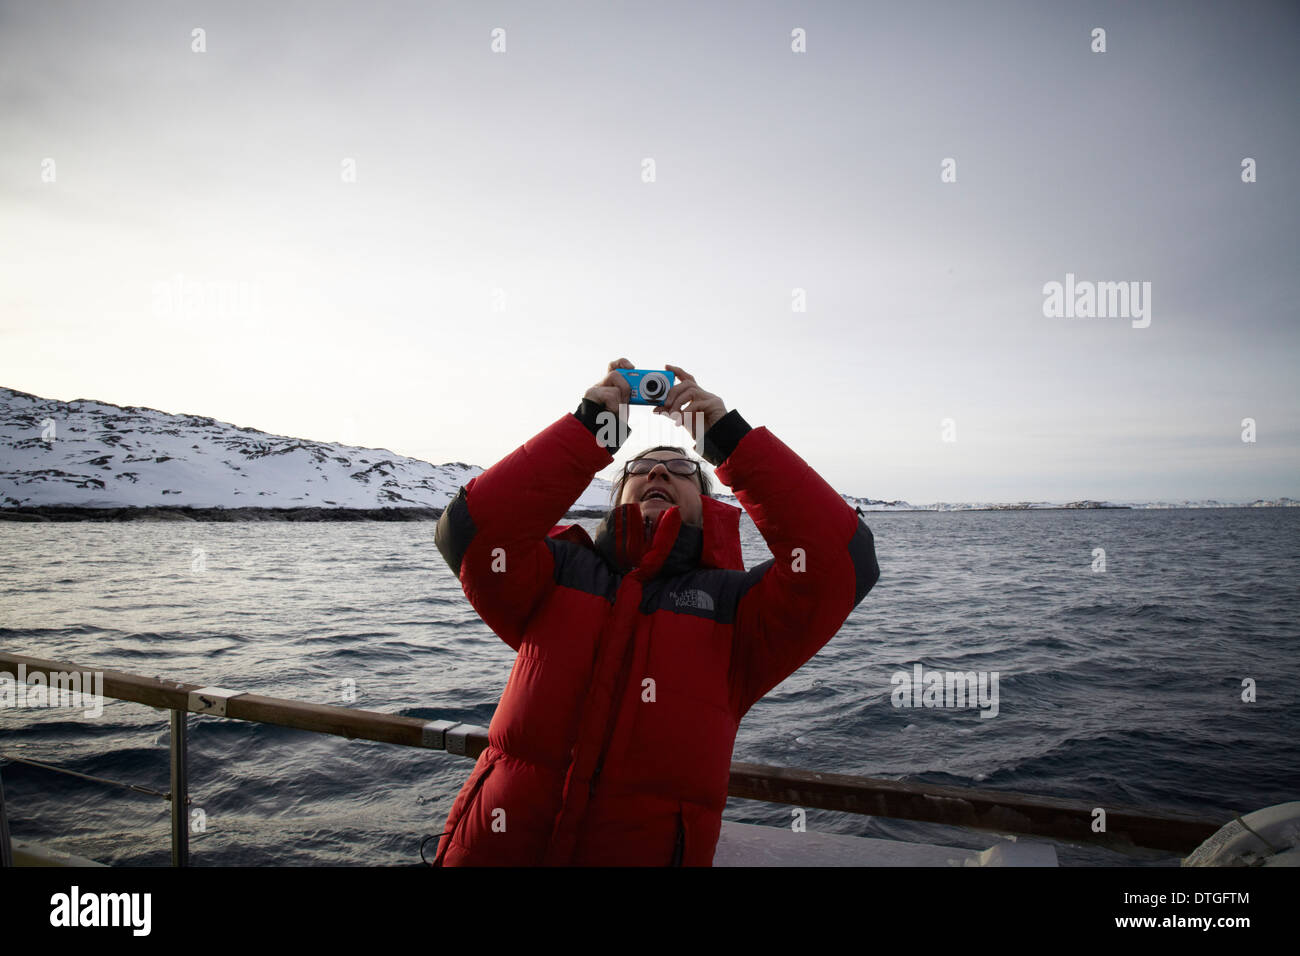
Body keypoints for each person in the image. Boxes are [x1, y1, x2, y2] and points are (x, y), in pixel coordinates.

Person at [431, 358, 880, 865]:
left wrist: (725, 437)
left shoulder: (741, 613)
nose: (660, 470)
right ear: (618, 494)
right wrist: (593, 428)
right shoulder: (551, 577)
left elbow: (843, 563)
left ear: (706, 502)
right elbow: (470, 533)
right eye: (640, 468)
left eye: (683, 467)